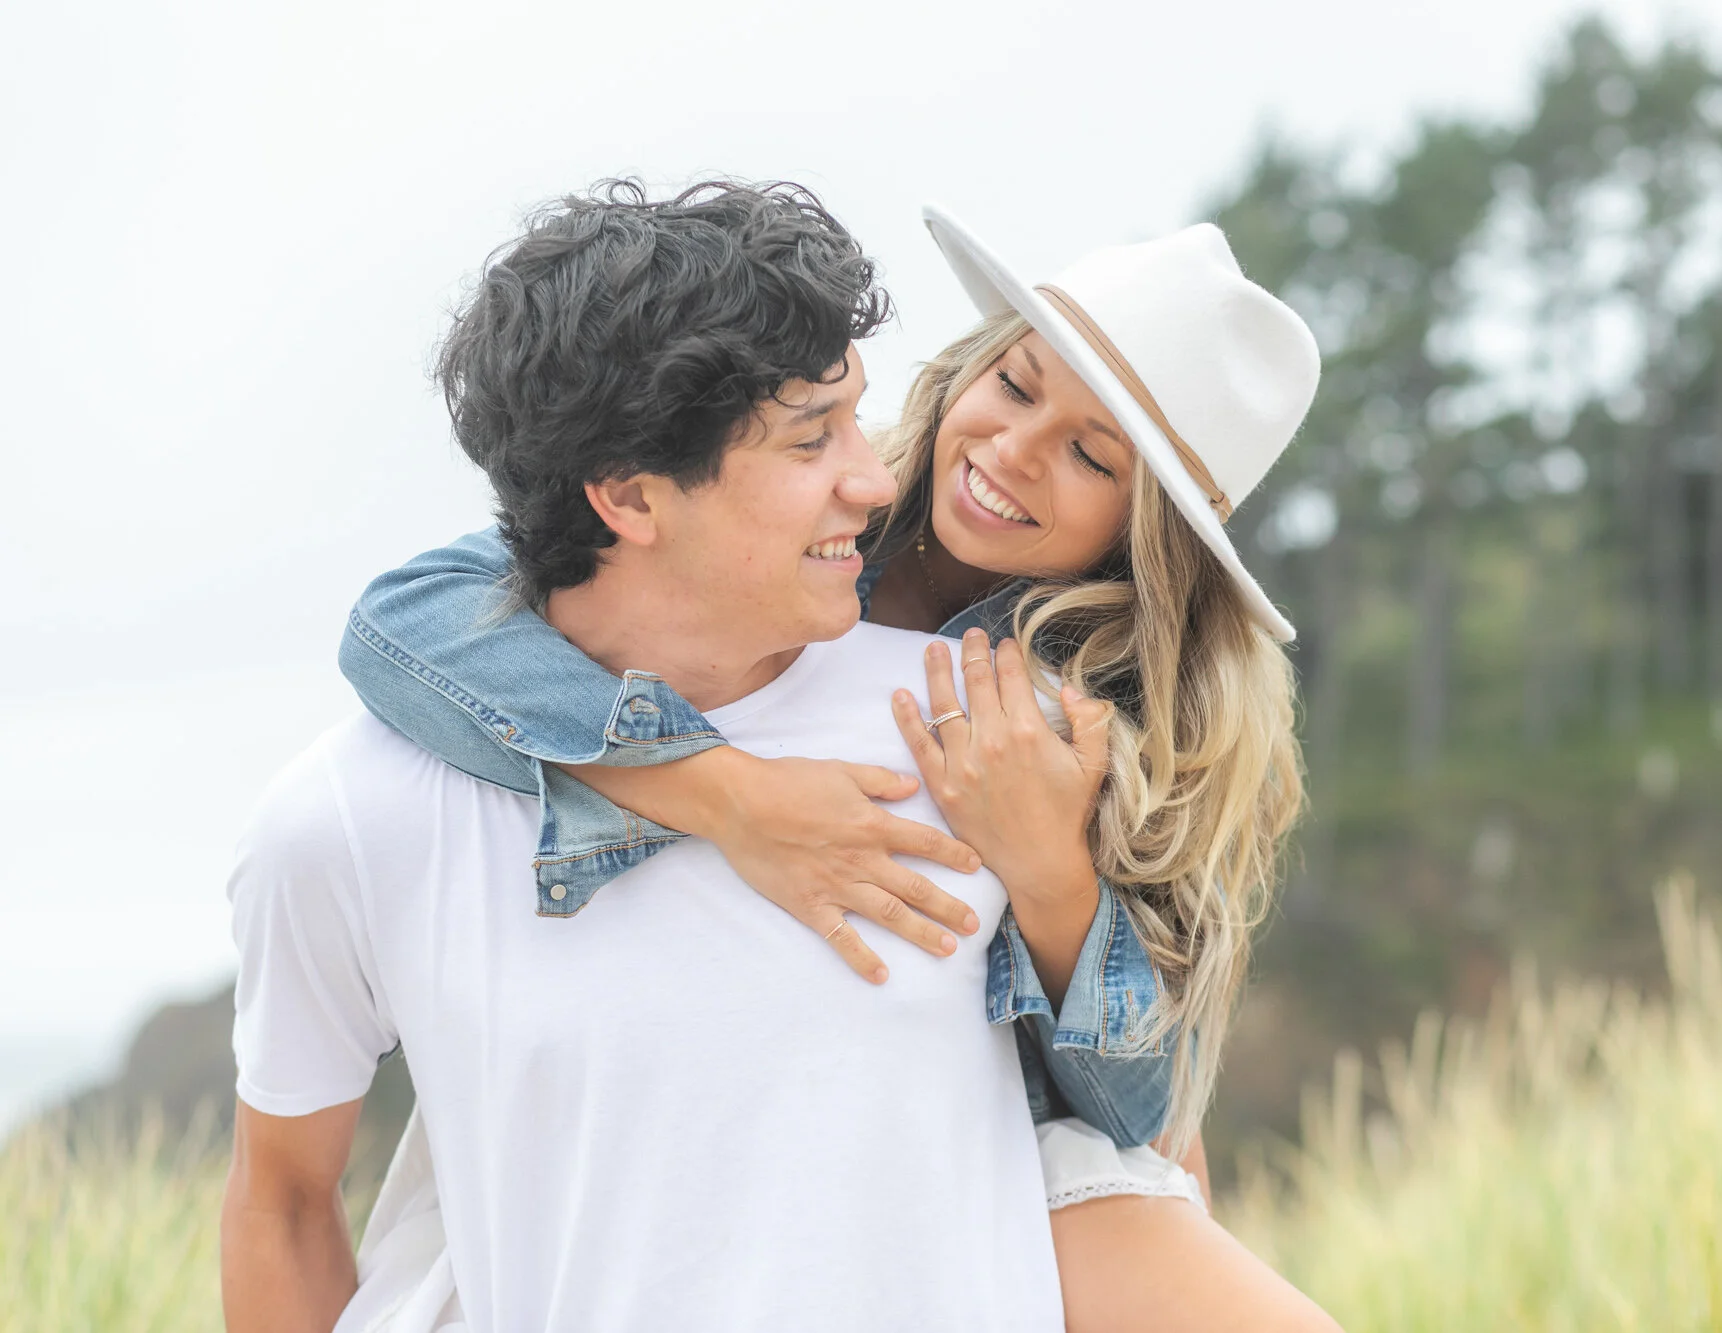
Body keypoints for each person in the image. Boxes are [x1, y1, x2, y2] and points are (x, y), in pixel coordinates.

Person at [336, 185, 1338, 1331]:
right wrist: (730, 797)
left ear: (1145, 530)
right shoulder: (791, 514)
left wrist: (1051, 873)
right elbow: (407, 619)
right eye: (1014, 387)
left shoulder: (1118, 722)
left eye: (1088, 456)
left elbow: (1143, 1108)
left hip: (950, 1178)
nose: (1013, 450)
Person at [227, 180, 1074, 1332]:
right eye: (809, 438)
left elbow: (1142, 1153)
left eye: (855, 419)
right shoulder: (349, 816)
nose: (876, 481)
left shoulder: (988, 731)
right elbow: (281, 1201)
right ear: (628, 496)